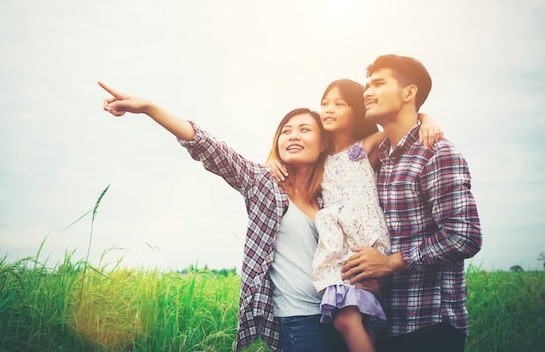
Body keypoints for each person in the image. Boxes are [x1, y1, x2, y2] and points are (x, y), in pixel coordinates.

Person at [98, 81, 346, 351]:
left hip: (342, 315)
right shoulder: (262, 183)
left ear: (323, 144)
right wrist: (149, 108)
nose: (293, 136)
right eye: (285, 131)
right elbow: (208, 147)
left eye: (304, 130)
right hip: (299, 321)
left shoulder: (329, 195)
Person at [268, 79, 442, 352]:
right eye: (325, 103)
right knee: (359, 320)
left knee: (346, 321)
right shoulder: (319, 158)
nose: (328, 109)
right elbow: (293, 164)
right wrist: (273, 162)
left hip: (362, 242)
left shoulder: (363, 147)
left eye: (339, 103)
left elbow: (403, 125)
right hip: (337, 248)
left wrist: (426, 117)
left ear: (358, 111)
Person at [341, 54, 482, 352]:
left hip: (430, 324)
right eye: (367, 85)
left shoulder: (437, 153)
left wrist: (392, 262)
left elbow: (464, 237)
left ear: (409, 93)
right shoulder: (380, 157)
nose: (367, 92)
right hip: (385, 320)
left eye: (378, 83)